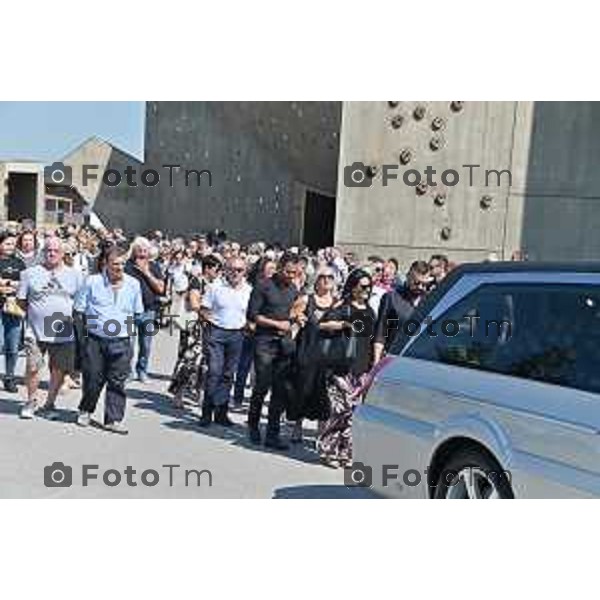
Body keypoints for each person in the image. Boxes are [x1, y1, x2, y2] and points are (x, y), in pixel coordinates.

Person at [75, 245, 144, 434]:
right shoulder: (91, 282)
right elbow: (79, 311)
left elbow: (137, 313)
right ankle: (86, 409)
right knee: (92, 378)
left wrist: (129, 341)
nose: (119, 268)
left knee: (117, 381)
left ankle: (113, 419)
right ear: (105, 263)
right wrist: (83, 339)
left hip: (121, 341)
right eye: (115, 264)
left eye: (122, 264)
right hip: (95, 340)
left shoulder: (133, 284)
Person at [17, 237, 84, 418]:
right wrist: (37, 314)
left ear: (63, 253)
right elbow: (21, 301)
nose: (51, 253)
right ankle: (31, 401)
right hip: (35, 329)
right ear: (42, 252)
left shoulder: (76, 275)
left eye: (55, 250)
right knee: (32, 366)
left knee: (58, 369)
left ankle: (49, 403)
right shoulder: (29, 273)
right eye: (48, 250)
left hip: (62, 328)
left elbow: (80, 302)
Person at [316, 269, 375, 467]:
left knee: (354, 413)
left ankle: (346, 452)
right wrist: (343, 324)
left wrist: (373, 364)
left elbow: (372, 337)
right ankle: (328, 450)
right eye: (363, 286)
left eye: (369, 286)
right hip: (341, 366)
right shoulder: (344, 306)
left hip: (362, 366)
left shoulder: (369, 310)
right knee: (341, 410)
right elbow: (321, 325)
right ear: (353, 287)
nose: (367, 290)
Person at [246, 253, 300, 450]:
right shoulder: (263, 285)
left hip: (283, 343)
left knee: (280, 389)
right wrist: (277, 323)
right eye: (288, 272)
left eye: (295, 273)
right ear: (279, 267)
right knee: (262, 385)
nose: (291, 276)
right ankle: (253, 425)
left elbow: (293, 313)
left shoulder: (293, 288)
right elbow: (252, 315)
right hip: (264, 341)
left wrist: (295, 319)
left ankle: (272, 434)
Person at [198, 257, 252, 427]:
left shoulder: (249, 290)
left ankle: (221, 412)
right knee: (214, 371)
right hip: (217, 333)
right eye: (232, 269)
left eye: (239, 270)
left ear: (245, 272)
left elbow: (251, 313)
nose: (235, 273)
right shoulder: (215, 287)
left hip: (237, 334)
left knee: (228, 374)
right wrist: (210, 326)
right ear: (226, 270)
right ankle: (207, 411)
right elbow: (204, 309)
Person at [287, 268, 337, 443]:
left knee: (324, 394)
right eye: (322, 277)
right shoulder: (306, 300)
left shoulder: (337, 303)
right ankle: (297, 427)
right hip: (306, 351)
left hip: (328, 354)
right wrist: (296, 319)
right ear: (315, 280)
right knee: (302, 389)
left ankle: (322, 432)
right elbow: (290, 316)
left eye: (330, 277)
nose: (326, 280)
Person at [373, 260, 434, 364]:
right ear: (408, 276)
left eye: (424, 284)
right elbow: (381, 333)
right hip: (392, 357)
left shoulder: (431, 301)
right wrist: (376, 361)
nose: (420, 287)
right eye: (416, 283)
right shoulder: (391, 298)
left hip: (420, 359)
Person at [125, 237, 166, 382]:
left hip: (149, 311)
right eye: (139, 248)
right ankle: (129, 372)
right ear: (134, 250)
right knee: (128, 345)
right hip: (129, 312)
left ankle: (142, 370)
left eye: (145, 248)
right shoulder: (127, 266)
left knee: (146, 345)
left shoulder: (154, 266)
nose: (142, 250)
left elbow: (161, 288)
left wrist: (146, 272)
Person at [0, 232, 26, 392]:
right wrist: (10, 284)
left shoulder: (19, 263)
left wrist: (6, 283)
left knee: (13, 345)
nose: (10, 247)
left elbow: (24, 284)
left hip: (14, 308)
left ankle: (9, 377)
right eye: (7, 243)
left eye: (12, 244)